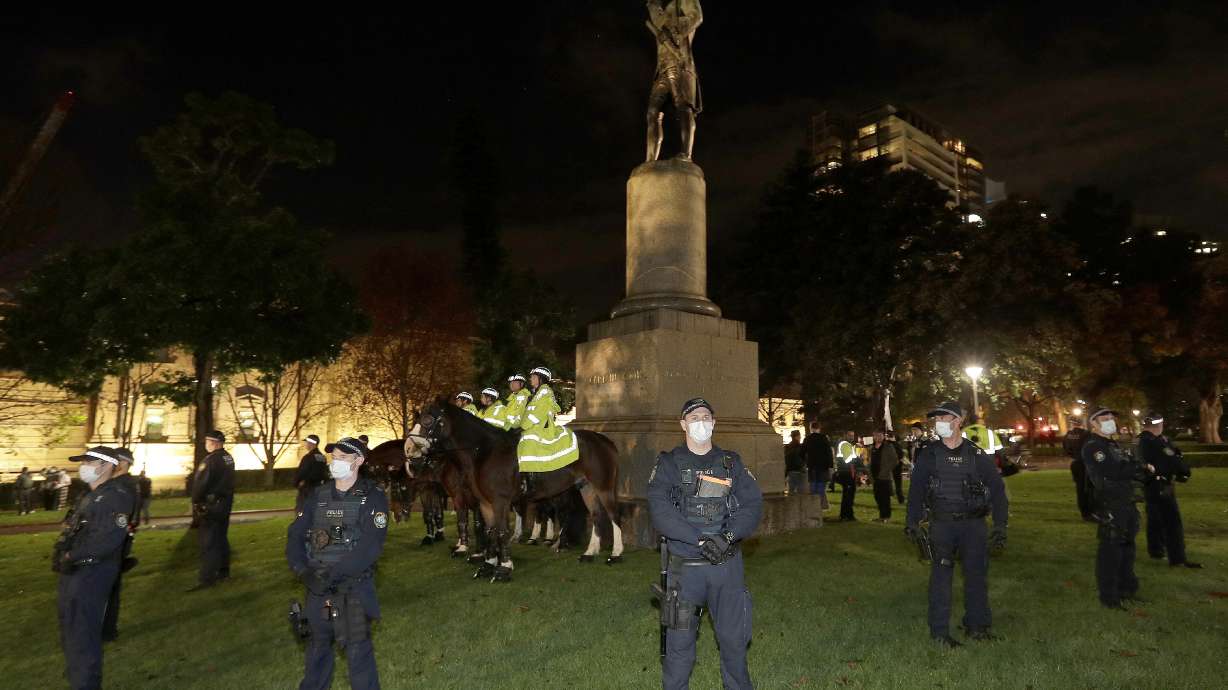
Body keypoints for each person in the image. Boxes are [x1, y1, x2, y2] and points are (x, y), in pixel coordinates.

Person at [648, 397, 762, 690]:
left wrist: (727, 537)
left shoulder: (731, 463)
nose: (701, 422)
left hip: (727, 568)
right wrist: (698, 539)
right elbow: (660, 510)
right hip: (686, 571)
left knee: (734, 643)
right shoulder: (669, 464)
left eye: (706, 417)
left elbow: (752, 504)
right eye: (694, 417)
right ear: (683, 424)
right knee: (679, 648)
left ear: (714, 422)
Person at [287, 436, 388, 690]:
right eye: (334, 457)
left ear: (359, 461)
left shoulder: (372, 498)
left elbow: (370, 547)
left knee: (358, 657)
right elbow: (295, 534)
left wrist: (330, 576)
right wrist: (303, 571)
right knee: (316, 654)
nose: (336, 462)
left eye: (343, 457)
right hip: (316, 589)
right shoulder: (318, 495)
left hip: (352, 591)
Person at [905, 402, 1008, 647]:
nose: (938, 422)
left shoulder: (976, 455)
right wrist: (912, 522)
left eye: (944, 418)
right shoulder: (929, 455)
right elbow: (916, 491)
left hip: (973, 525)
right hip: (942, 525)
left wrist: (1000, 525)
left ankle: (977, 627)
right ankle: (940, 633)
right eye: (936, 419)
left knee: (976, 576)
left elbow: (997, 490)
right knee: (941, 579)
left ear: (958, 421)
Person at [55, 446, 133, 690]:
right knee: (71, 630)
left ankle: (86, 684)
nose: (84, 466)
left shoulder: (115, 495)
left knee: (83, 634)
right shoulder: (90, 495)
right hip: (75, 571)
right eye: (84, 461)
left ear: (107, 465)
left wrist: (73, 554)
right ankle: (78, 679)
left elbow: (107, 539)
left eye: (90, 461)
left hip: (91, 572)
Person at [1082, 407, 1148, 609]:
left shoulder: (1112, 445)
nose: (1110, 421)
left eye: (1112, 418)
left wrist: (1137, 469)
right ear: (1093, 424)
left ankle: (1127, 589)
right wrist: (1138, 468)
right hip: (1110, 502)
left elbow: (1128, 466)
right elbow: (1114, 470)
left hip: (1126, 500)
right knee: (1111, 550)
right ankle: (1109, 597)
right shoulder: (1094, 447)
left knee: (1127, 547)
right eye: (1105, 418)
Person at [1137, 412, 1202, 569]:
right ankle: (1178, 558)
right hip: (1162, 485)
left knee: (1155, 519)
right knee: (1172, 522)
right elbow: (1173, 459)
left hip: (1150, 485)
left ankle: (1156, 550)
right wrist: (1185, 472)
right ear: (1159, 425)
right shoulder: (1157, 442)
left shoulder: (1141, 440)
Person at [516, 367, 580, 490]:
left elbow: (538, 413)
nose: (531, 379)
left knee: (529, 441)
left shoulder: (545, 392)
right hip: (533, 426)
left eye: (534, 377)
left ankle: (530, 478)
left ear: (541, 379)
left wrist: (523, 426)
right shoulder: (536, 393)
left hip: (541, 427)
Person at [101, 448, 141, 643]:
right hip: (116, 540)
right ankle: (106, 629)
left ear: (123, 463)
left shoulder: (123, 485)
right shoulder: (125, 483)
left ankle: (106, 630)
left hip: (114, 541)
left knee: (107, 587)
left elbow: (123, 517)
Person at [190, 430, 235, 591]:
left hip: (211, 506)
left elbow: (200, 484)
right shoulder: (228, 458)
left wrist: (196, 501)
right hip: (224, 504)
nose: (206, 445)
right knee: (221, 538)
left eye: (207, 442)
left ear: (214, 443)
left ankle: (207, 578)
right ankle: (224, 572)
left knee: (208, 542)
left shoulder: (210, 460)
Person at [1062, 418, 1093, 521]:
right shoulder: (1086, 434)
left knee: (1080, 488)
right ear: (1082, 423)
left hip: (1075, 463)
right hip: (1086, 464)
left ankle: (1084, 512)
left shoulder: (1068, 435)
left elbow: (1066, 449)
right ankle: (1089, 512)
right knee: (1088, 488)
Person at [295, 435, 330, 512]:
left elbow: (303, 471)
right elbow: (323, 471)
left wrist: (298, 482)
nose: (306, 444)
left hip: (307, 487)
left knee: (302, 509)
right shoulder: (322, 457)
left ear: (312, 443)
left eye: (307, 442)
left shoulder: (308, 457)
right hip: (319, 487)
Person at [870, 430, 899, 522]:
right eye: (876, 435)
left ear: (883, 436)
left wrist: (886, 470)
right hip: (875, 476)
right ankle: (882, 516)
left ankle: (886, 517)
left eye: (880, 435)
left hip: (884, 476)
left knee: (885, 498)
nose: (878, 437)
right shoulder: (872, 447)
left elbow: (895, 460)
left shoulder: (888, 446)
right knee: (877, 497)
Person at [801, 422, 832, 509]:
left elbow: (802, 453)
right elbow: (829, 452)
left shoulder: (807, 439)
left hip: (812, 466)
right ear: (819, 428)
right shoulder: (824, 438)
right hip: (823, 467)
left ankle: (813, 506)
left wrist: (805, 462)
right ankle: (820, 505)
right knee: (821, 487)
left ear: (811, 428)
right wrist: (830, 465)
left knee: (813, 486)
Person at [835, 431, 860, 521]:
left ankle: (845, 514)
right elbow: (847, 459)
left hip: (847, 472)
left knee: (847, 494)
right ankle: (848, 515)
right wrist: (857, 460)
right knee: (848, 495)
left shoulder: (847, 444)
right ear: (845, 435)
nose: (852, 437)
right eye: (850, 435)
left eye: (853, 435)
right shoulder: (845, 444)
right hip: (847, 472)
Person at [784, 430, 805, 496]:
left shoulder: (788, 447)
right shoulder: (800, 447)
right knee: (800, 491)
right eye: (799, 436)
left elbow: (786, 460)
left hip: (790, 471)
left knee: (791, 491)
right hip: (799, 470)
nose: (800, 437)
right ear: (797, 436)